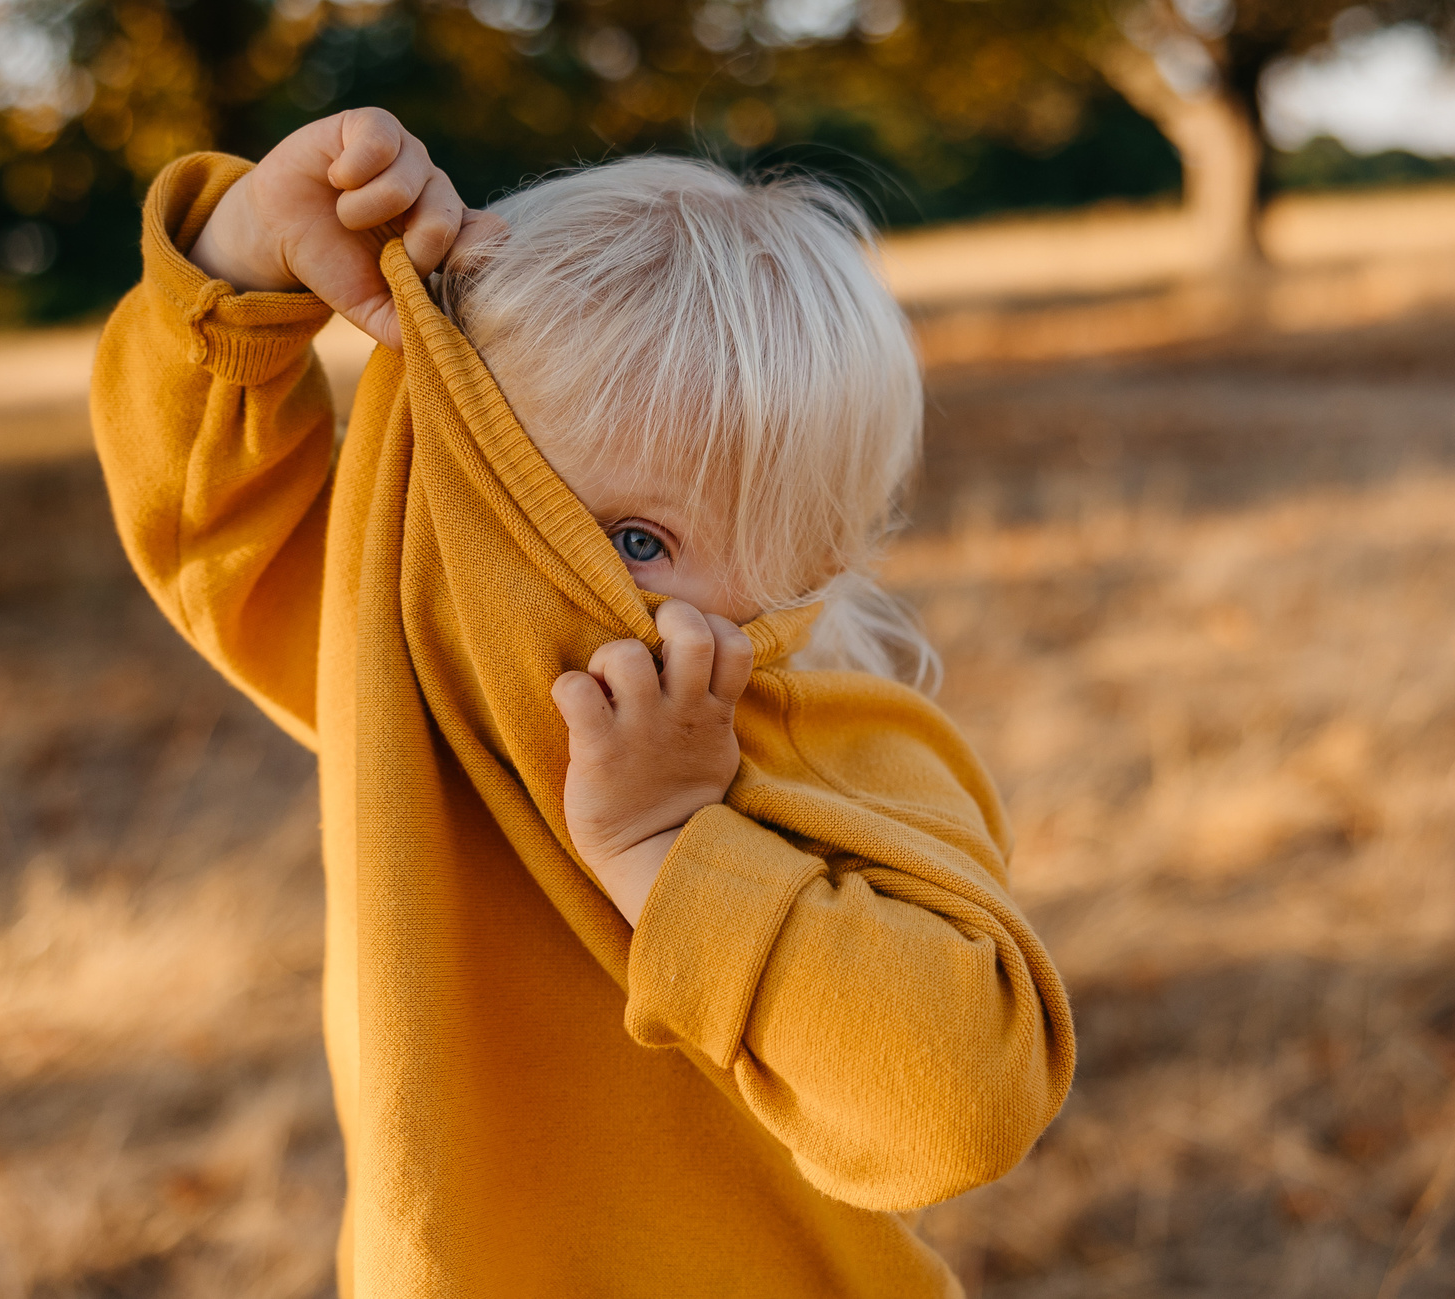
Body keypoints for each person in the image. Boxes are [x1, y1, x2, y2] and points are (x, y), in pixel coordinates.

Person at [89, 107, 1073, 1296]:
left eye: (637, 541)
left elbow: (959, 1104)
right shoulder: (431, 656)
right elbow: (214, 531)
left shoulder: (841, 757)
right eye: (511, 495)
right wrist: (247, 248)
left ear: (805, 573)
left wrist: (670, 845)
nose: (536, 566)